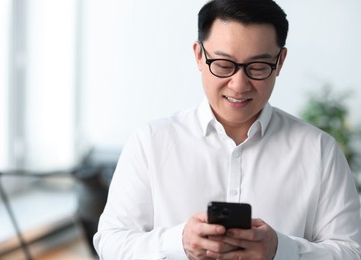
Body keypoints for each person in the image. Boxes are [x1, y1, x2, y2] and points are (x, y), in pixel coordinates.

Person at [93, 0, 361, 259]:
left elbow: (352, 251)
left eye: (257, 67)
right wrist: (179, 243)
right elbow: (111, 242)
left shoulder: (319, 150)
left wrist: (281, 250)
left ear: (280, 62)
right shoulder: (150, 142)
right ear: (199, 55)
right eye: (223, 65)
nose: (239, 85)